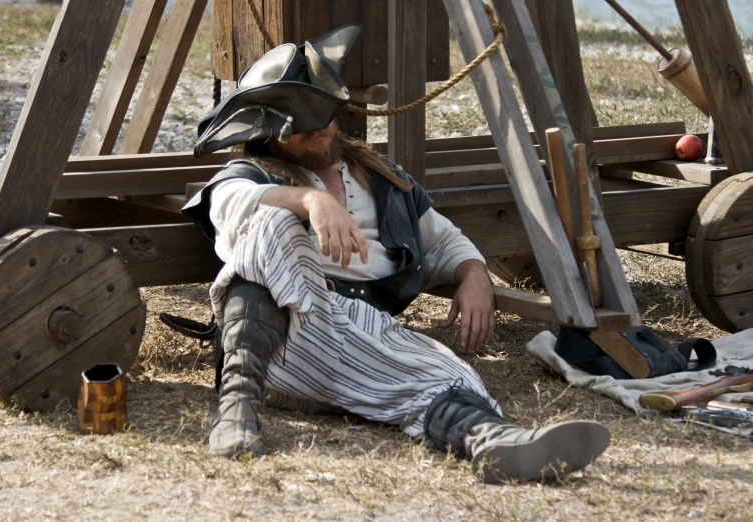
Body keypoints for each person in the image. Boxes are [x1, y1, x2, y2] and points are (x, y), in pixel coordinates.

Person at [183, 24, 609, 484]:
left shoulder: (381, 178)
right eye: (303, 132)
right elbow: (228, 206)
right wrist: (308, 200)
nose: (321, 136)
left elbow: (445, 240)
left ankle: (492, 441)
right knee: (269, 223)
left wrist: (474, 275)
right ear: (271, 134)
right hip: (278, 340)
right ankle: (236, 409)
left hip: (365, 343)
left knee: (449, 372)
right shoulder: (251, 175)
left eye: (326, 121)